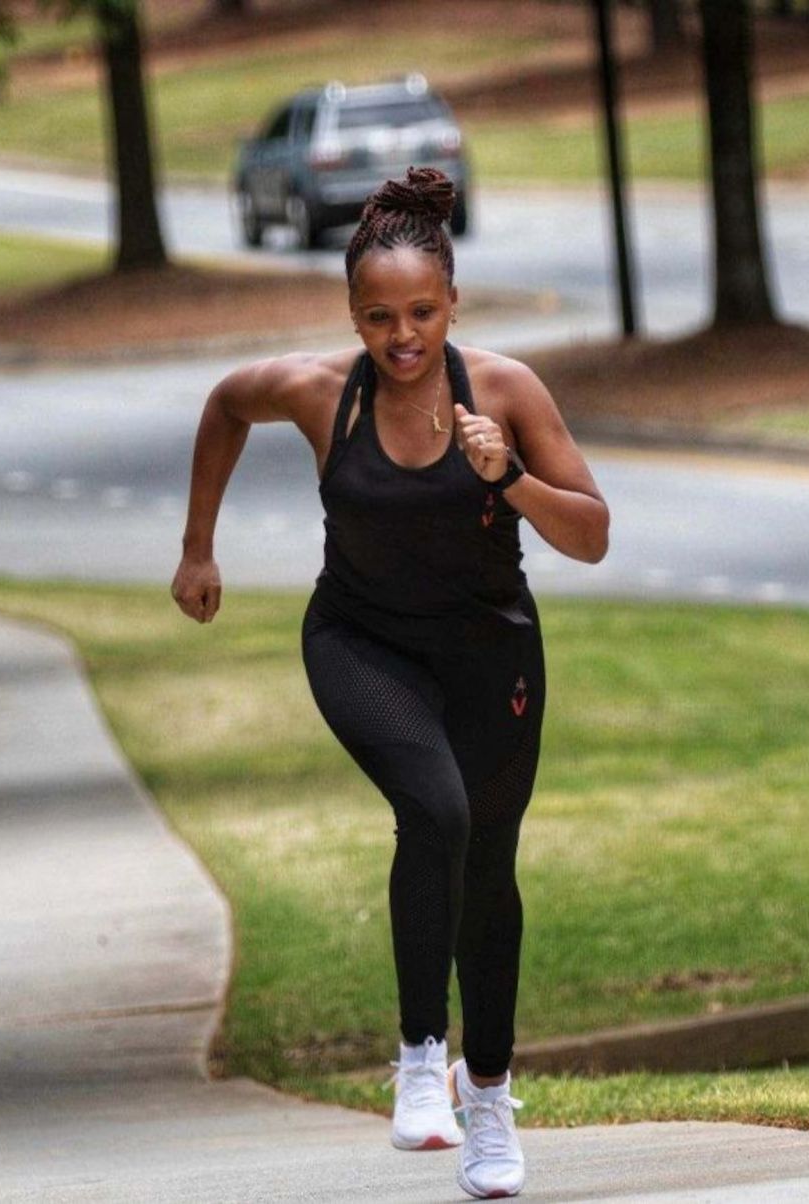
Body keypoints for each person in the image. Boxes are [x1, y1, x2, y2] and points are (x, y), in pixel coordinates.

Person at [171, 166, 609, 1200]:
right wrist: (198, 549)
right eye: (379, 316)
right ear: (352, 315)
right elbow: (225, 404)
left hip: (490, 653)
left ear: (454, 303)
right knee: (436, 809)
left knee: (488, 869)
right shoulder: (323, 394)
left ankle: (488, 1093)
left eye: (421, 312)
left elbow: (590, 534)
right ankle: (419, 1057)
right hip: (361, 642)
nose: (402, 335)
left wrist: (510, 477)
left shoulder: (505, 392)